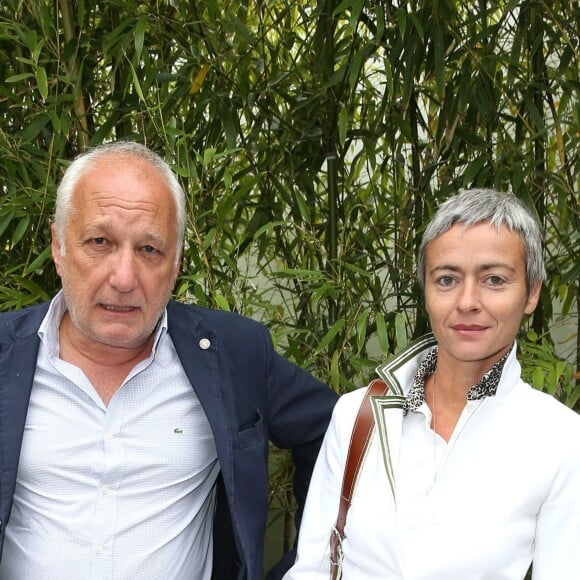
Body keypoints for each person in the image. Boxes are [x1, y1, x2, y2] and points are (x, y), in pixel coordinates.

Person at [0, 141, 338, 580]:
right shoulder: (7, 356)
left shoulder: (231, 353)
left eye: (149, 250)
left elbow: (341, 432)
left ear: (177, 262)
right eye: (100, 241)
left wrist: (306, 566)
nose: (124, 279)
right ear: (59, 247)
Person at [284, 188, 580, 579]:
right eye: (446, 279)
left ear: (532, 292)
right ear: (424, 288)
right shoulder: (359, 415)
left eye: (494, 279)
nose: (467, 301)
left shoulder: (559, 440)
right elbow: (312, 570)